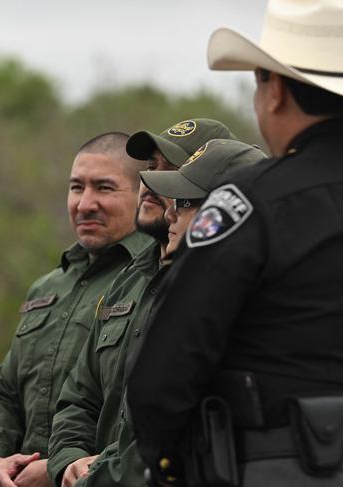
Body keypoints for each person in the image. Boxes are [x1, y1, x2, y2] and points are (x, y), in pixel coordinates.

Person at [127, 0, 343, 485]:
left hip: (281, 467)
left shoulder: (248, 203)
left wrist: (167, 466)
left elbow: (164, 370)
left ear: (274, 92)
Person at [49, 138, 264, 487]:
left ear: (225, 210)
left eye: (185, 201)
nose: (170, 212)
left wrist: (97, 478)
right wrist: (67, 462)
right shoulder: (131, 279)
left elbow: (166, 428)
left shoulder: (226, 304)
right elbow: (78, 396)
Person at [0, 132, 151, 487]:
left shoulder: (153, 280)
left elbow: (139, 410)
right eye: (76, 187)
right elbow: (4, 391)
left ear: (142, 196)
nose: (85, 203)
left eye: (104, 188)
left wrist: (58, 469)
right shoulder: (48, 286)